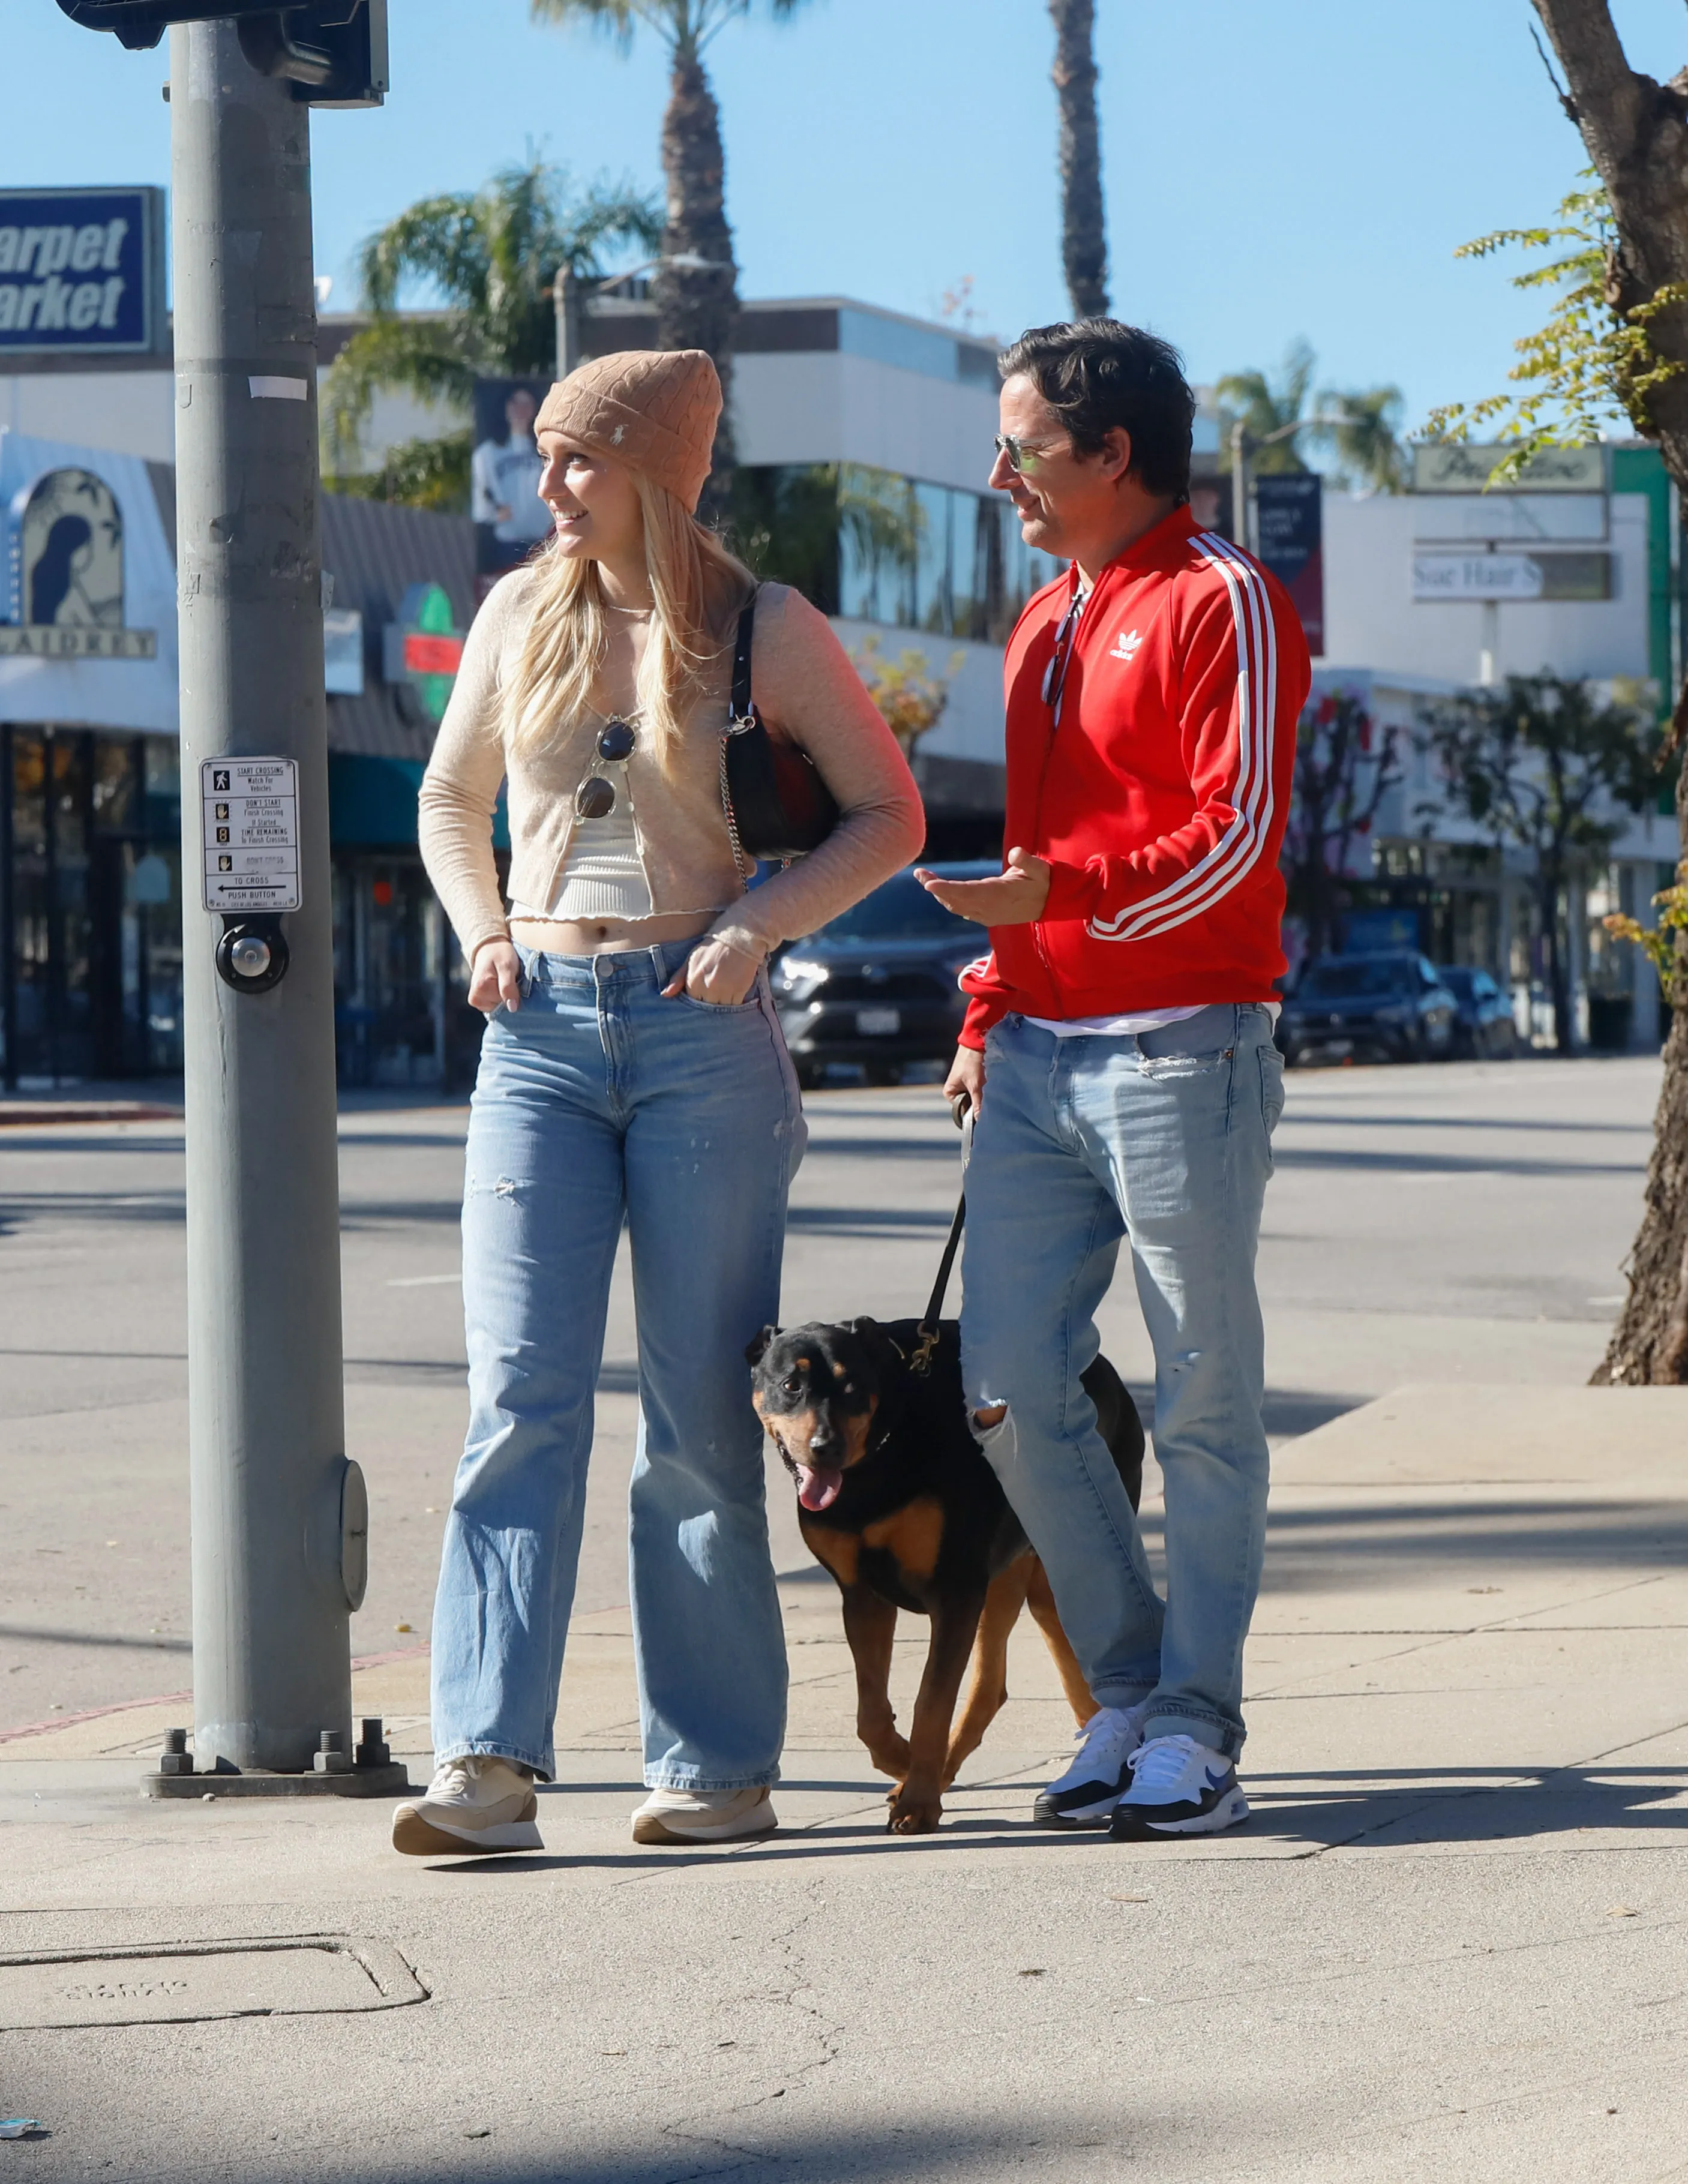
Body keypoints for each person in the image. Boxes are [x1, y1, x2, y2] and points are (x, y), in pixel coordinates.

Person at [395, 347, 924, 1856]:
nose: (549, 487)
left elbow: (887, 812)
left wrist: (758, 926)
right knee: (517, 1402)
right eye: (546, 458)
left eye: (579, 461)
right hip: (540, 1036)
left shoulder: (762, 627)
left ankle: (712, 1772)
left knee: (698, 1418)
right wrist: (483, 931)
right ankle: (484, 1767)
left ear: (660, 470)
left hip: (704, 1042)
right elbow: (449, 800)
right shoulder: (514, 609)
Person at [918, 320, 1311, 1840]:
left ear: (1109, 455)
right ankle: (1132, 1700)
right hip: (1031, 1058)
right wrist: (984, 1005)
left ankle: (1197, 1730)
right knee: (1007, 1388)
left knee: (1202, 1398)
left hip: (1182, 1046)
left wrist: (1055, 905)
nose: (996, 471)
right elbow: (1029, 869)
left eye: (1017, 445)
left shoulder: (1226, 600)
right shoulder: (1043, 620)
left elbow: (1233, 835)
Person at [470, 384, 552, 558]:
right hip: (508, 545)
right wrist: (493, 514)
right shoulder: (488, 454)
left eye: (526, 404)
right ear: (506, 408)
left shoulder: (547, 448)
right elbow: (481, 499)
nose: (520, 410)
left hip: (544, 542)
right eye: (515, 403)